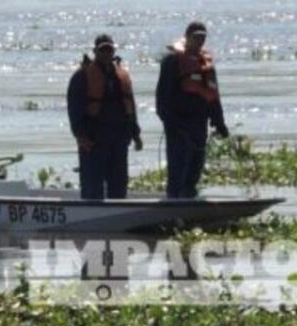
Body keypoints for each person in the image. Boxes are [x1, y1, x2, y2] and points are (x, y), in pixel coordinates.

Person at [155, 21, 230, 199]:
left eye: (202, 37)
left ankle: (189, 197)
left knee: (196, 164)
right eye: (196, 37)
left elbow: (213, 96)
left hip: (199, 122)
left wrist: (219, 122)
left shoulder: (205, 63)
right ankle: (174, 200)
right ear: (187, 37)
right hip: (178, 124)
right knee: (179, 165)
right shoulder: (172, 61)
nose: (200, 41)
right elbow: (162, 95)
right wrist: (169, 121)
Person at [67, 34, 143, 200]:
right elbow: (74, 109)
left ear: (114, 50)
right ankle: (90, 217)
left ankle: (118, 218)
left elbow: (131, 107)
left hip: (119, 139)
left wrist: (136, 134)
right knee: (92, 187)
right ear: (95, 51)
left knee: (119, 185)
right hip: (94, 140)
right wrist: (81, 136)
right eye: (102, 50)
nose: (106, 53)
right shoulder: (82, 76)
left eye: (109, 49)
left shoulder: (122, 76)